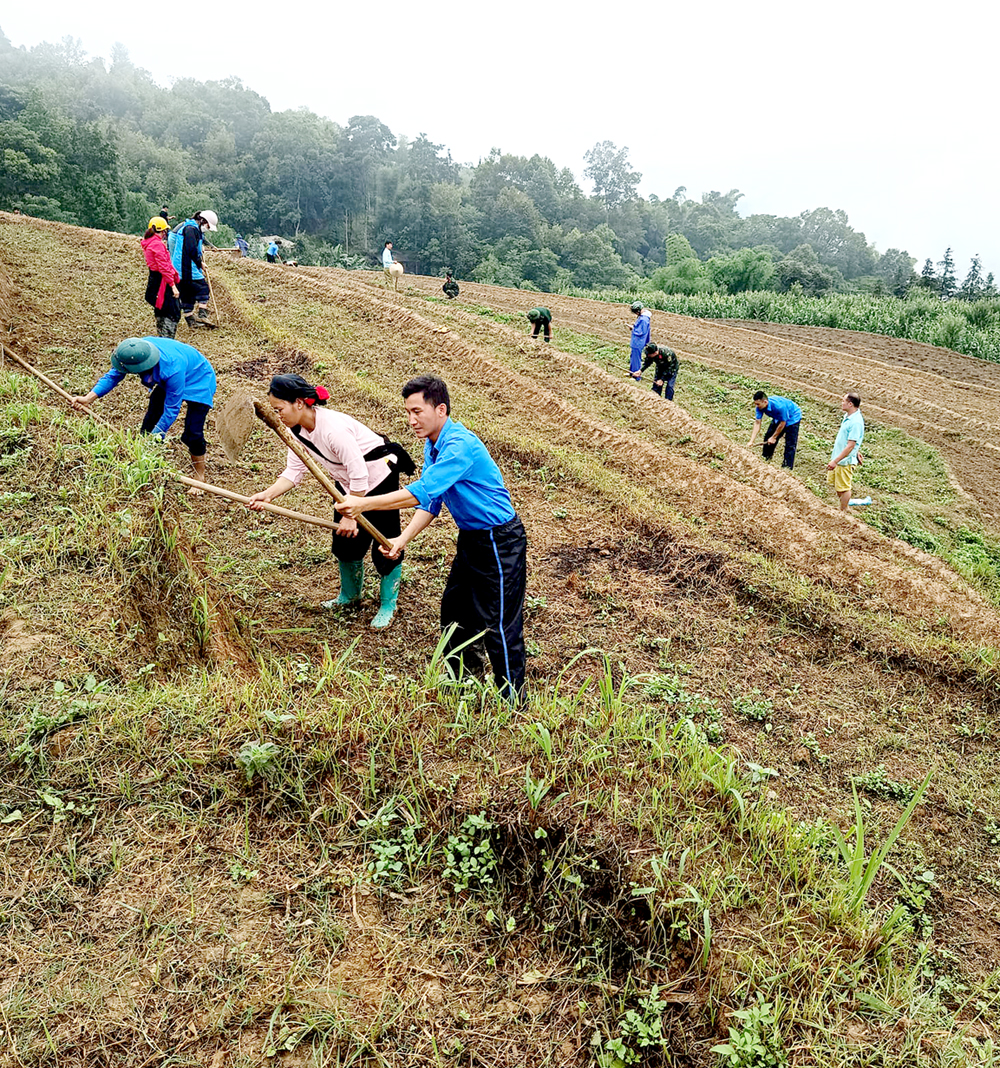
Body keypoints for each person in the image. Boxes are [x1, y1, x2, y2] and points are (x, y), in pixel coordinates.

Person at [337, 375, 527, 702]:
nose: (411, 420)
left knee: (498, 623)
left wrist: (363, 503)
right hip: (471, 539)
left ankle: (513, 702)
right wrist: (401, 540)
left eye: (417, 412)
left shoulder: (459, 446)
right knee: (455, 612)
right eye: (407, 412)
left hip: (499, 541)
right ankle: (463, 682)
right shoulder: (433, 445)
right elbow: (431, 502)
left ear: (440, 409)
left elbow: (419, 492)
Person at [246, 375, 415, 629]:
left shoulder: (332, 429)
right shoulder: (295, 431)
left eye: (279, 409)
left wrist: (351, 514)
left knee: (385, 542)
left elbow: (360, 473)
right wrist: (267, 494)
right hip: (348, 486)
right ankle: (349, 597)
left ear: (299, 403)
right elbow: (294, 471)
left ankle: (388, 604)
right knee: (346, 540)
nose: (277, 415)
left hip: (378, 478)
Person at [71, 337, 216, 492]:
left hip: (199, 379)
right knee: (151, 421)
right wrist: (88, 398)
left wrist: (154, 438)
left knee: (192, 432)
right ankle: (147, 463)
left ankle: (199, 476)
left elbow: (171, 410)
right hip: (174, 371)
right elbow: (113, 375)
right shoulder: (134, 351)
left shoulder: (173, 368)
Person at [169, 209, 219, 329]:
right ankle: (202, 314)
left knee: (187, 292)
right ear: (202, 221)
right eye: (208, 226)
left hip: (181, 265)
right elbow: (191, 249)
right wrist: (200, 263)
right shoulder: (191, 230)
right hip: (185, 266)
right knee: (203, 288)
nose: (207, 228)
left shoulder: (193, 228)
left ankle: (191, 321)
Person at [140, 216, 182, 339]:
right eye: (165, 231)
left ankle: (162, 334)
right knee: (171, 311)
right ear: (162, 231)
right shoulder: (157, 245)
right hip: (162, 282)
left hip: (155, 280)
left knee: (161, 307)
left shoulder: (149, 243)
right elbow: (164, 267)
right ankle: (167, 337)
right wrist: (173, 286)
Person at [826, 393, 865, 511]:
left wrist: (835, 461)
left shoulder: (856, 422)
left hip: (844, 461)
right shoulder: (848, 416)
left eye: (843, 401)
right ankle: (843, 507)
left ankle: (843, 511)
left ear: (850, 404)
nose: (841, 403)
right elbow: (852, 442)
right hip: (840, 457)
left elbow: (850, 446)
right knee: (839, 487)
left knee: (844, 488)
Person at [747, 391, 803, 470]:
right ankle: (765, 460)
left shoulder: (779, 407)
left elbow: (783, 423)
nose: (756, 406)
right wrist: (751, 441)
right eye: (755, 404)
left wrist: (774, 437)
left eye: (758, 404)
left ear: (765, 402)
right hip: (778, 418)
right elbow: (757, 423)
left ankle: (787, 467)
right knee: (768, 438)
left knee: (790, 444)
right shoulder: (759, 407)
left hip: (793, 417)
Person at [629, 302, 651, 379]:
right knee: (633, 357)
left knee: (636, 359)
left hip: (638, 342)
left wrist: (633, 328)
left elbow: (641, 332)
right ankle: (631, 372)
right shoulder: (644, 317)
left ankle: (636, 376)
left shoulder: (644, 319)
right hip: (637, 341)